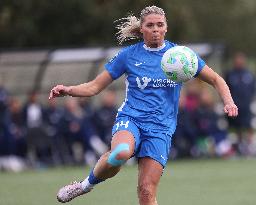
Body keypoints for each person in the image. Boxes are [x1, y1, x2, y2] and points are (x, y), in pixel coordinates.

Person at [49, 6, 238, 205]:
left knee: (147, 192)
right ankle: (84, 185)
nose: (155, 29)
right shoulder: (128, 55)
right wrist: (68, 89)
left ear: (166, 28)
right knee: (121, 152)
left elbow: (216, 79)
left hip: (161, 128)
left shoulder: (182, 57)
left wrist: (229, 102)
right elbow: (94, 87)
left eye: (160, 25)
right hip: (132, 119)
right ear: (141, 29)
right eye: (150, 25)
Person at [225, 52, 255, 155]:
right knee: (236, 128)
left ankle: (249, 148)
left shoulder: (249, 74)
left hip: (246, 106)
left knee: (248, 126)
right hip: (234, 106)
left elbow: (252, 89)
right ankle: (238, 148)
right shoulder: (230, 74)